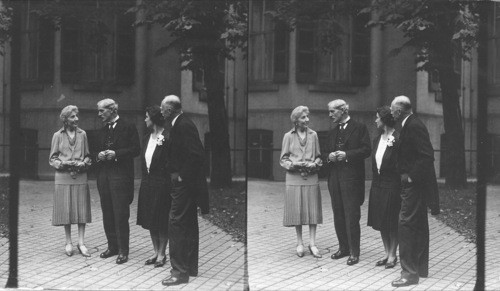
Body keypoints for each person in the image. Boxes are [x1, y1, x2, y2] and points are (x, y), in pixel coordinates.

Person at [389, 95, 440, 288]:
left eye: (393, 109)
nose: (391, 112)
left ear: (399, 111)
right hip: (416, 186)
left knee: (406, 225)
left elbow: (427, 156)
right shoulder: (411, 123)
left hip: (413, 186)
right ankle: (419, 268)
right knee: (417, 224)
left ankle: (409, 274)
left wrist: (411, 177)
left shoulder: (413, 126)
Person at [160, 95, 209, 286]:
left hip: (185, 185)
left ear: (169, 110)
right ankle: (189, 267)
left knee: (177, 223)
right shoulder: (181, 123)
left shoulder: (182, 125)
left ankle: (179, 272)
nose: (161, 112)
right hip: (188, 185)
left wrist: (181, 176)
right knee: (187, 223)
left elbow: (197, 155)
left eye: (163, 109)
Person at [324, 99, 371, 266]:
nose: (329, 115)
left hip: (351, 179)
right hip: (335, 178)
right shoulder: (332, 132)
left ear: (343, 110)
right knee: (338, 213)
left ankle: (354, 252)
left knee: (351, 215)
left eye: (332, 112)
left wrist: (347, 155)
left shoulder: (359, 128)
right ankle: (343, 248)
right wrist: (329, 157)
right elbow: (325, 154)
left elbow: (366, 150)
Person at [94, 98, 140, 264]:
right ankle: (112, 247)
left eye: (101, 111)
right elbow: (94, 151)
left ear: (112, 110)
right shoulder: (102, 130)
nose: (99, 114)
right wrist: (98, 156)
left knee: (120, 214)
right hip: (104, 177)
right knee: (107, 212)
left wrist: (117, 154)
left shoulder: (128, 127)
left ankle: (123, 250)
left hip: (121, 177)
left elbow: (136, 150)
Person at [279, 106, 323, 258]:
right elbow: (283, 160)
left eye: (307, 117)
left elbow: (318, 157)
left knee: (312, 210)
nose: (307, 120)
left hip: (311, 176)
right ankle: (299, 243)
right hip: (294, 177)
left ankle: (312, 243)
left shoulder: (314, 135)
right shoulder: (288, 136)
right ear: (296, 120)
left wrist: (314, 164)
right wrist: (294, 164)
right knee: (297, 210)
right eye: (303, 117)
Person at [49, 105, 92, 257]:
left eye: (77, 116)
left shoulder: (83, 134)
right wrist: (63, 164)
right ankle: (68, 242)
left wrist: (83, 163)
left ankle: (81, 243)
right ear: (65, 119)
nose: (76, 119)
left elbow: (87, 156)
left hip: (80, 175)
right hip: (63, 177)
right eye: (73, 117)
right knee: (66, 209)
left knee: (81, 209)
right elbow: (52, 159)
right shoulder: (58, 135)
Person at [137, 105, 171, 268]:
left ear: (154, 119)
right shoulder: (146, 138)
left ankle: (162, 253)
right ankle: (155, 251)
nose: (145, 120)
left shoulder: (167, 137)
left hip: (162, 184)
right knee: (150, 219)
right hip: (148, 183)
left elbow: (170, 163)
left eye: (146, 117)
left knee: (161, 220)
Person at [367, 106, 401, 269]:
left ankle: (393, 255)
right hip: (378, 184)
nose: (375, 120)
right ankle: (387, 253)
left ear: (385, 119)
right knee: (381, 220)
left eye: (377, 118)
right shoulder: (377, 139)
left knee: (392, 221)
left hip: (392, 185)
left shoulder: (398, 138)